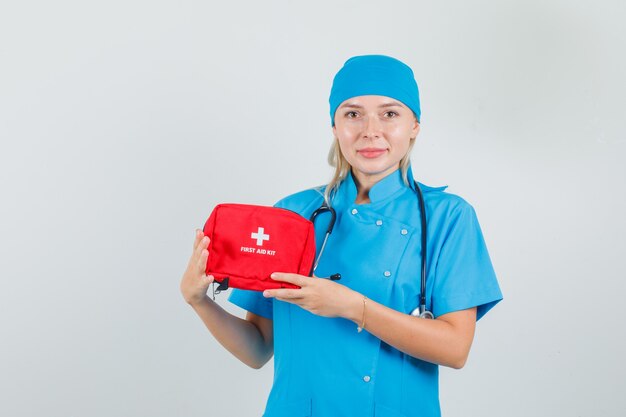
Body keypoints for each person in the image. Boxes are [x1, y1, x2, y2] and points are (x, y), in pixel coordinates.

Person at [180, 54, 503, 417]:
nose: (370, 130)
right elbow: (257, 350)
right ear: (334, 126)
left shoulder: (448, 217)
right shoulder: (291, 213)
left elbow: (456, 349)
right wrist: (199, 301)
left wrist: (351, 306)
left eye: (390, 113)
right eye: (352, 114)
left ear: (415, 125)